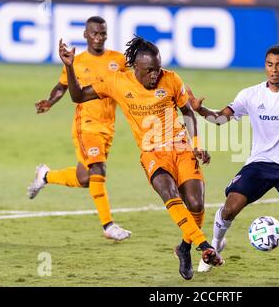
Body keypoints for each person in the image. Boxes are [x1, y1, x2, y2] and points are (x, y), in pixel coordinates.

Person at [58, 35, 224, 280]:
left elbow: (187, 110)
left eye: (157, 69)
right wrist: (70, 67)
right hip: (152, 153)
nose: (155, 75)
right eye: (149, 71)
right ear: (136, 66)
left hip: (181, 149)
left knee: (197, 205)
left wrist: (196, 145)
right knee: (169, 193)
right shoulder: (117, 82)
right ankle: (204, 246)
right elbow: (78, 96)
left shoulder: (171, 79)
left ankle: (184, 248)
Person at [188, 44, 279, 282]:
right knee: (231, 207)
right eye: (269, 65)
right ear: (265, 66)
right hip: (260, 162)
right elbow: (222, 117)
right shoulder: (251, 95)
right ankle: (214, 245)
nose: (274, 70)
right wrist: (200, 109)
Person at [27, 16, 132, 242]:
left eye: (102, 33)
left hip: (107, 127)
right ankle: (108, 225)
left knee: (85, 178)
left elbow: (130, 85)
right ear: (85, 35)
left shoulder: (118, 60)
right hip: (86, 127)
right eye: (94, 33)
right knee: (97, 170)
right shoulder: (76, 61)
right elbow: (62, 86)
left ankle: (45, 175)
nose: (98, 37)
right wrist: (49, 101)